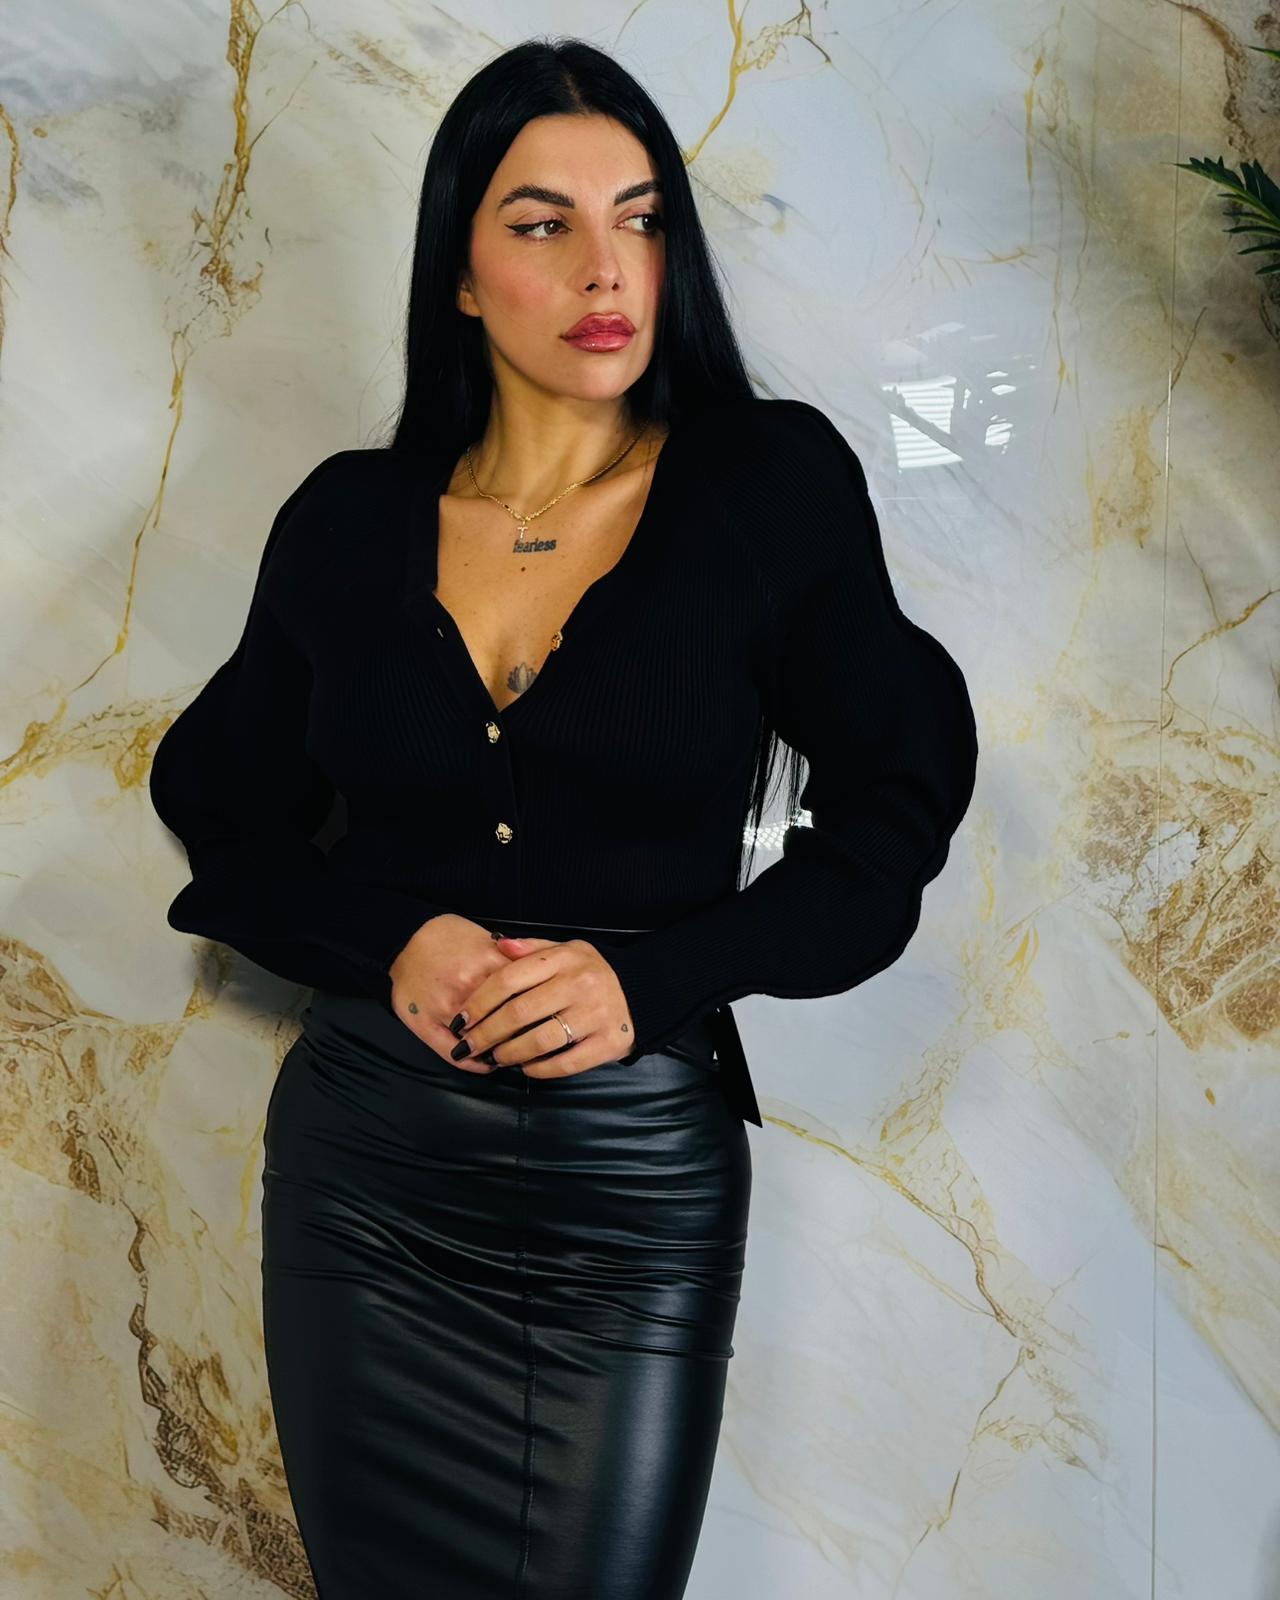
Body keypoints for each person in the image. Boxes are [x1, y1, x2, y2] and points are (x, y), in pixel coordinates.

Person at [148, 35, 979, 1600]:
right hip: (366, 1183)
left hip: (632, 1191)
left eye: (641, 219)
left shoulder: (767, 490)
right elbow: (218, 809)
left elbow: (892, 825)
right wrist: (391, 937)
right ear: (461, 275)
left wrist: (650, 979)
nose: (608, 268)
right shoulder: (348, 522)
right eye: (545, 224)